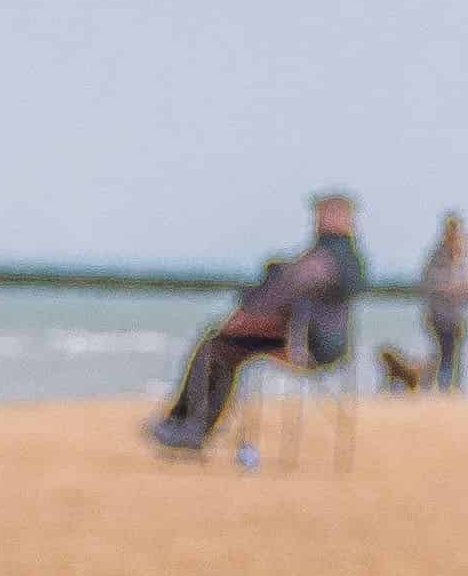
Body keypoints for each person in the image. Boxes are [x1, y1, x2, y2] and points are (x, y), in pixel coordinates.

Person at [146, 191, 364, 452]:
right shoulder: (337, 258)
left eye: (327, 213)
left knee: (218, 347)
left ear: (344, 218)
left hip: (310, 345)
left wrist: (248, 313)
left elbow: (290, 288)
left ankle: (190, 426)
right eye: (320, 212)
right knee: (221, 347)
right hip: (310, 340)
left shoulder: (334, 257)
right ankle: (188, 424)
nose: (319, 219)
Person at [416, 208, 468, 388]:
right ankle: (440, 385)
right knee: (442, 351)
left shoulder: (465, 257)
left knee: (454, 352)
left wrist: (462, 290)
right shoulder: (437, 255)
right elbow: (428, 282)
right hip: (438, 313)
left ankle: (452, 387)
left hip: (457, 314)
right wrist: (447, 289)